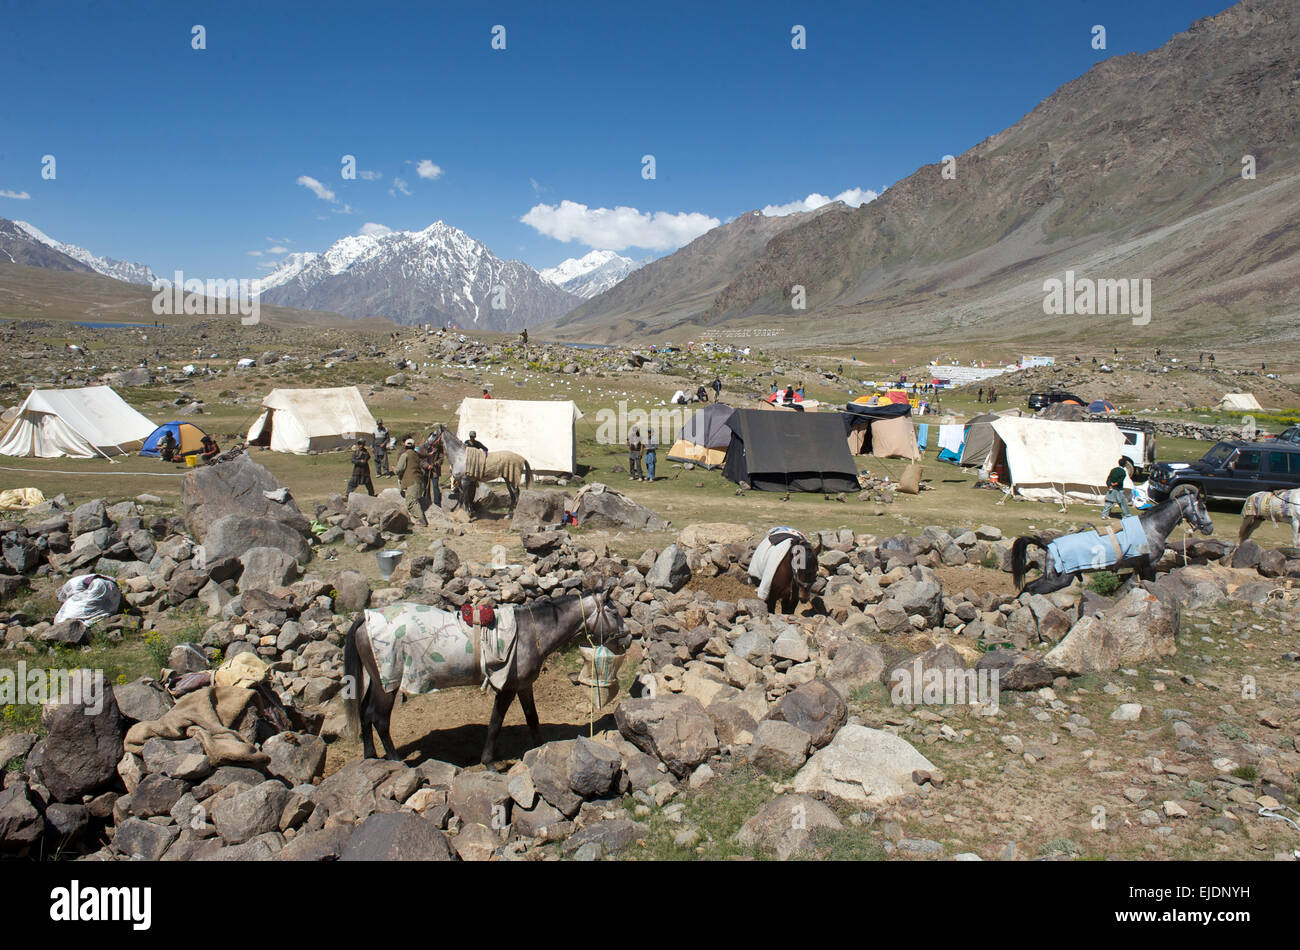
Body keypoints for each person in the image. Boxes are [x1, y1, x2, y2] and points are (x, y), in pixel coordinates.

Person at [395, 438, 427, 526]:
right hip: (419, 480)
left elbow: (399, 470)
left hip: (411, 481)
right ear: (413, 446)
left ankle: (421, 520)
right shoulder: (416, 455)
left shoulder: (404, 455)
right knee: (414, 500)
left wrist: (394, 469)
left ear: (405, 446)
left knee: (411, 502)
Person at [420, 428, 444, 508]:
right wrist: (427, 465)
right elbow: (421, 460)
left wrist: (435, 464)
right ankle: (428, 503)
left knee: (435, 487)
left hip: (434, 471)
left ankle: (437, 504)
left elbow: (441, 458)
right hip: (425, 471)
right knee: (426, 487)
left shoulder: (439, 448)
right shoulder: (423, 447)